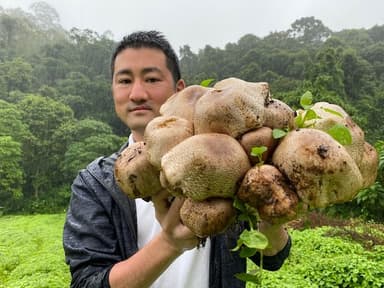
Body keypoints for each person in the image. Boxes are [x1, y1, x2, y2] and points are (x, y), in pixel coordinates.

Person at [63, 30, 291, 288]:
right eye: (124, 81)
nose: (137, 93)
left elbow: (273, 258)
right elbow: (86, 282)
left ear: (179, 90)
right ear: (113, 90)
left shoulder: (232, 161)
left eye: (151, 79)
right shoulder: (95, 184)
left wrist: (271, 210)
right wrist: (169, 243)